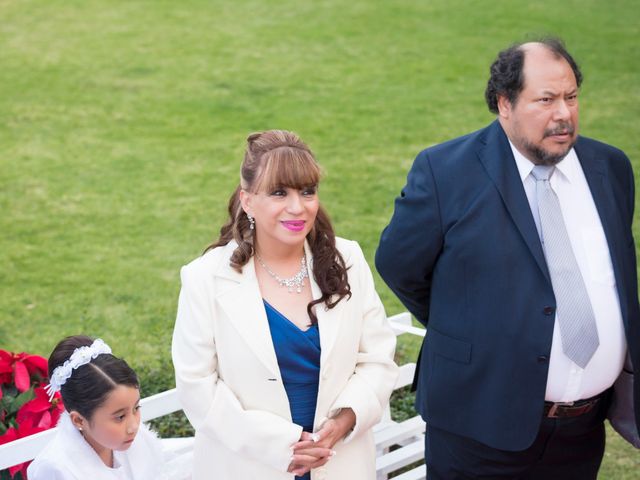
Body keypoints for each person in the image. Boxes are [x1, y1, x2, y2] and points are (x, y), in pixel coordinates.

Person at [375, 38, 639, 479]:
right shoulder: (446, 172)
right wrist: (469, 324)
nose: (564, 114)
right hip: (478, 428)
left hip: (583, 431)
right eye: (546, 99)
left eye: (571, 97)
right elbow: (400, 265)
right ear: (504, 103)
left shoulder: (609, 167)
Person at [172, 129, 398, 480]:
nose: (298, 207)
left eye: (307, 192)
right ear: (247, 201)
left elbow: (378, 359)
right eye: (279, 193)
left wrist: (343, 421)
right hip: (246, 466)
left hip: (340, 461)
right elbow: (197, 387)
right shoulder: (205, 278)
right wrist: (282, 446)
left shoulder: (347, 259)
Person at [27, 335, 164, 480]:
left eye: (136, 408)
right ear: (79, 420)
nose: (134, 426)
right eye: (120, 417)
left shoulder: (137, 439)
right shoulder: (55, 470)